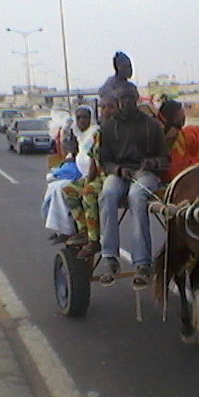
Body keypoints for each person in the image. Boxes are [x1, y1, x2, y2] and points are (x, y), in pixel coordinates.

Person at [98, 81, 169, 289]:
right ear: (119, 102)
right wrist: (119, 170)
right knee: (108, 193)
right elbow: (105, 161)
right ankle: (110, 258)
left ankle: (142, 264)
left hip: (145, 174)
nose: (127, 102)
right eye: (123, 99)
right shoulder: (109, 127)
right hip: (121, 173)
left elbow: (165, 158)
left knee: (137, 196)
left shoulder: (151, 125)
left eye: (131, 98)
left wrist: (152, 163)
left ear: (136, 100)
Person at [62, 97, 118, 259]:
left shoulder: (118, 130)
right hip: (99, 176)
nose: (106, 111)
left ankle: (94, 240)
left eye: (110, 107)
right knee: (69, 190)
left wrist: (89, 184)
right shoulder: (100, 132)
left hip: (114, 177)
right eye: (103, 107)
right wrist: (88, 180)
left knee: (87, 192)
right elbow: (93, 159)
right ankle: (84, 231)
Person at [42, 106, 99, 244]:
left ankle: (88, 235)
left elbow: (93, 159)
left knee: (70, 190)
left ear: (90, 118)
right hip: (81, 173)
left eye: (84, 117)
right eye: (78, 117)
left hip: (92, 175)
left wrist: (88, 178)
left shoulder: (95, 132)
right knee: (56, 189)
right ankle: (64, 229)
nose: (81, 120)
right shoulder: (79, 134)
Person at [157, 99, 199, 183]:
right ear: (174, 117)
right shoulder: (195, 132)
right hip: (191, 178)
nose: (184, 116)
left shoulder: (190, 133)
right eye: (181, 113)